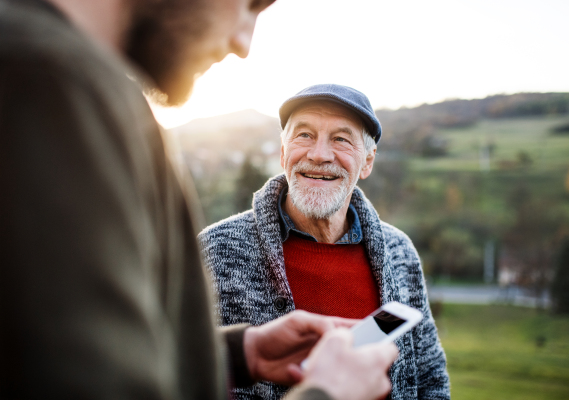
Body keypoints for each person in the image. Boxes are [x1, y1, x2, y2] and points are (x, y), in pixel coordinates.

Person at [0, 1, 398, 399]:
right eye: (250, 3)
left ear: (368, 161)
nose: (244, 43)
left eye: (341, 139)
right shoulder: (52, 82)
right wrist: (327, 393)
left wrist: (238, 354)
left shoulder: (72, 80)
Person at [200, 84, 451, 400]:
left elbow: (431, 380)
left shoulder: (399, 251)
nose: (318, 154)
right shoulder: (213, 250)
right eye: (304, 135)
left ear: (368, 161)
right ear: (282, 153)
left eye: (341, 139)